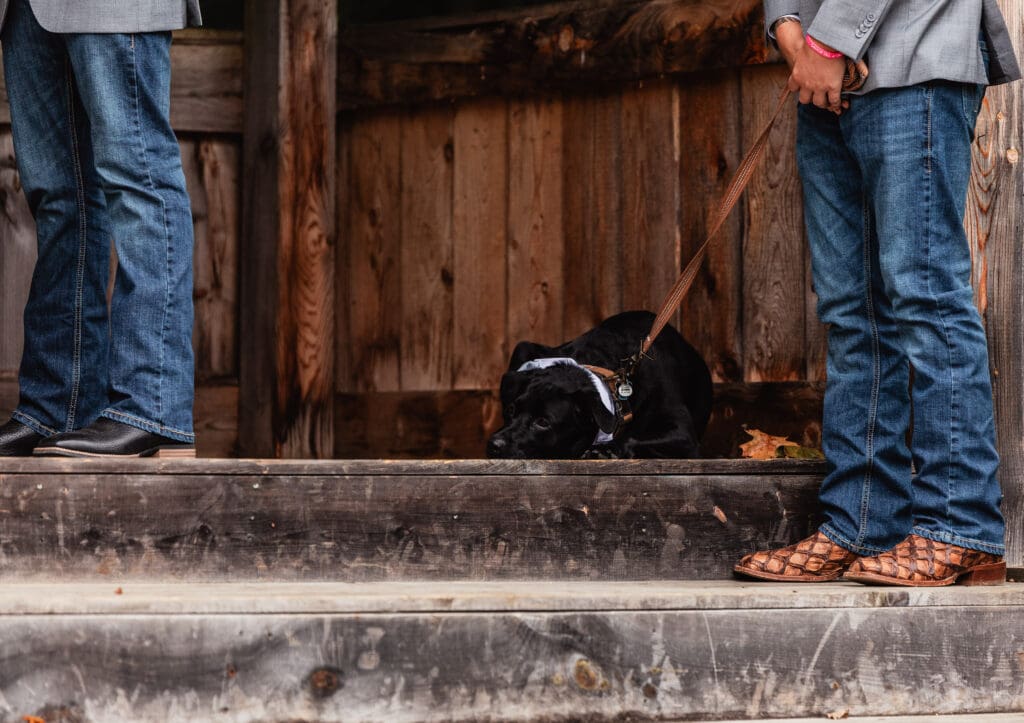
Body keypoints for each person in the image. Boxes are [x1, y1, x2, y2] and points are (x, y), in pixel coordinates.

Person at [734, 0, 1020, 586]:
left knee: (926, 296)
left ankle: (958, 527)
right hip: (820, 78)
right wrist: (789, 30)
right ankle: (861, 523)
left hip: (914, 59)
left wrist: (827, 43)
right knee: (852, 311)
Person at [0, 0, 202, 458]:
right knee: (57, 197)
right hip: (22, 9)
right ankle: (58, 406)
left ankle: (153, 408)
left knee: (139, 177)